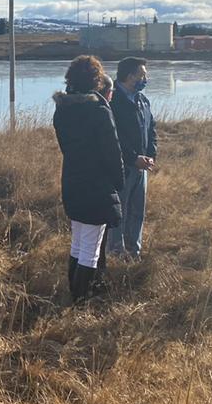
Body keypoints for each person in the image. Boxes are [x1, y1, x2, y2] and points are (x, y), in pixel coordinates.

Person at [53, 55, 124, 303]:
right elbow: (112, 152)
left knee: (78, 241)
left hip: (72, 181)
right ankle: (81, 299)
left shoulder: (62, 109)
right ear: (95, 80)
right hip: (97, 185)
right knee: (91, 249)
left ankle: (73, 293)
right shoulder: (98, 110)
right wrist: (119, 183)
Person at [108, 56, 157, 259]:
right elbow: (112, 137)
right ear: (129, 76)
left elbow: (151, 128)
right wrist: (132, 158)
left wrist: (151, 154)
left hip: (141, 167)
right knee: (120, 212)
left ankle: (133, 251)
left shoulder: (142, 100)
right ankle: (117, 253)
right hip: (121, 168)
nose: (145, 79)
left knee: (137, 211)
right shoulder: (112, 101)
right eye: (142, 75)